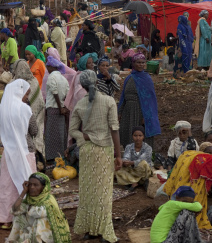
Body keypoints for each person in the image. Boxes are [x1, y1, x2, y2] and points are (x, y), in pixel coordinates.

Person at [69, 70, 122, 242]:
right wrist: (118, 155)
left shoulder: (79, 105)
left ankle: (89, 229)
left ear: (82, 86)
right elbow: (114, 129)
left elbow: (72, 131)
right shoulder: (108, 101)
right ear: (97, 82)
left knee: (88, 191)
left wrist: (84, 137)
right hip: (104, 150)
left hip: (86, 151)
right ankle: (103, 229)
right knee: (104, 191)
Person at [164, 150, 212, 229]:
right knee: (194, 199)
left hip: (193, 157)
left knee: (185, 191)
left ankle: (175, 216)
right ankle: (186, 222)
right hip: (198, 167)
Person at [0, 79, 37, 227]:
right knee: (27, 183)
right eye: (26, 94)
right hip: (25, 150)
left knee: (7, 185)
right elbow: (34, 131)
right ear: (20, 92)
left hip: (8, 152)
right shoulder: (24, 109)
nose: (27, 97)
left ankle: (4, 217)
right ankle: (24, 216)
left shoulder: (3, 107)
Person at [8, 173, 71, 243]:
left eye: (36, 185)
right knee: (18, 217)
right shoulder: (29, 199)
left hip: (48, 235)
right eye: (30, 184)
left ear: (43, 187)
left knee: (40, 220)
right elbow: (14, 210)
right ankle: (14, 240)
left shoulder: (49, 200)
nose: (32, 187)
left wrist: (26, 209)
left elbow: (37, 213)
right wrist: (23, 192)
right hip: (30, 230)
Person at [118, 53, 161, 148]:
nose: (141, 65)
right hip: (128, 111)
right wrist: (120, 112)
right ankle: (128, 154)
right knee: (127, 132)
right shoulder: (129, 77)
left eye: (143, 62)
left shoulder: (146, 79)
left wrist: (146, 116)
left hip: (140, 111)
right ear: (133, 63)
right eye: (138, 62)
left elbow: (150, 100)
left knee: (139, 134)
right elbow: (123, 96)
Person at [12, 59, 46, 157]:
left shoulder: (33, 82)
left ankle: (38, 158)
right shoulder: (15, 83)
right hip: (21, 116)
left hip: (35, 114)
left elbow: (30, 100)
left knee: (35, 135)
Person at [45, 56, 69, 161]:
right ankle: (61, 155)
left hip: (53, 108)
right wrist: (63, 107)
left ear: (51, 67)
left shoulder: (51, 77)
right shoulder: (63, 78)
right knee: (60, 134)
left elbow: (54, 92)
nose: (47, 68)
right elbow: (67, 94)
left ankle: (52, 157)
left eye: (47, 66)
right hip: (61, 109)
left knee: (51, 134)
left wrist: (60, 107)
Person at [115, 126, 153, 191]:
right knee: (117, 166)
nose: (138, 138)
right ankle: (135, 182)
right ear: (132, 136)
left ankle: (132, 181)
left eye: (140, 135)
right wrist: (125, 162)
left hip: (143, 172)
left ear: (143, 136)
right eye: (135, 135)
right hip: (132, 171)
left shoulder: (148, 148)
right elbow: (126, 157)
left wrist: (131, 163)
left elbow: (142, 159)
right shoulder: (129, 147)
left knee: (143, 163)